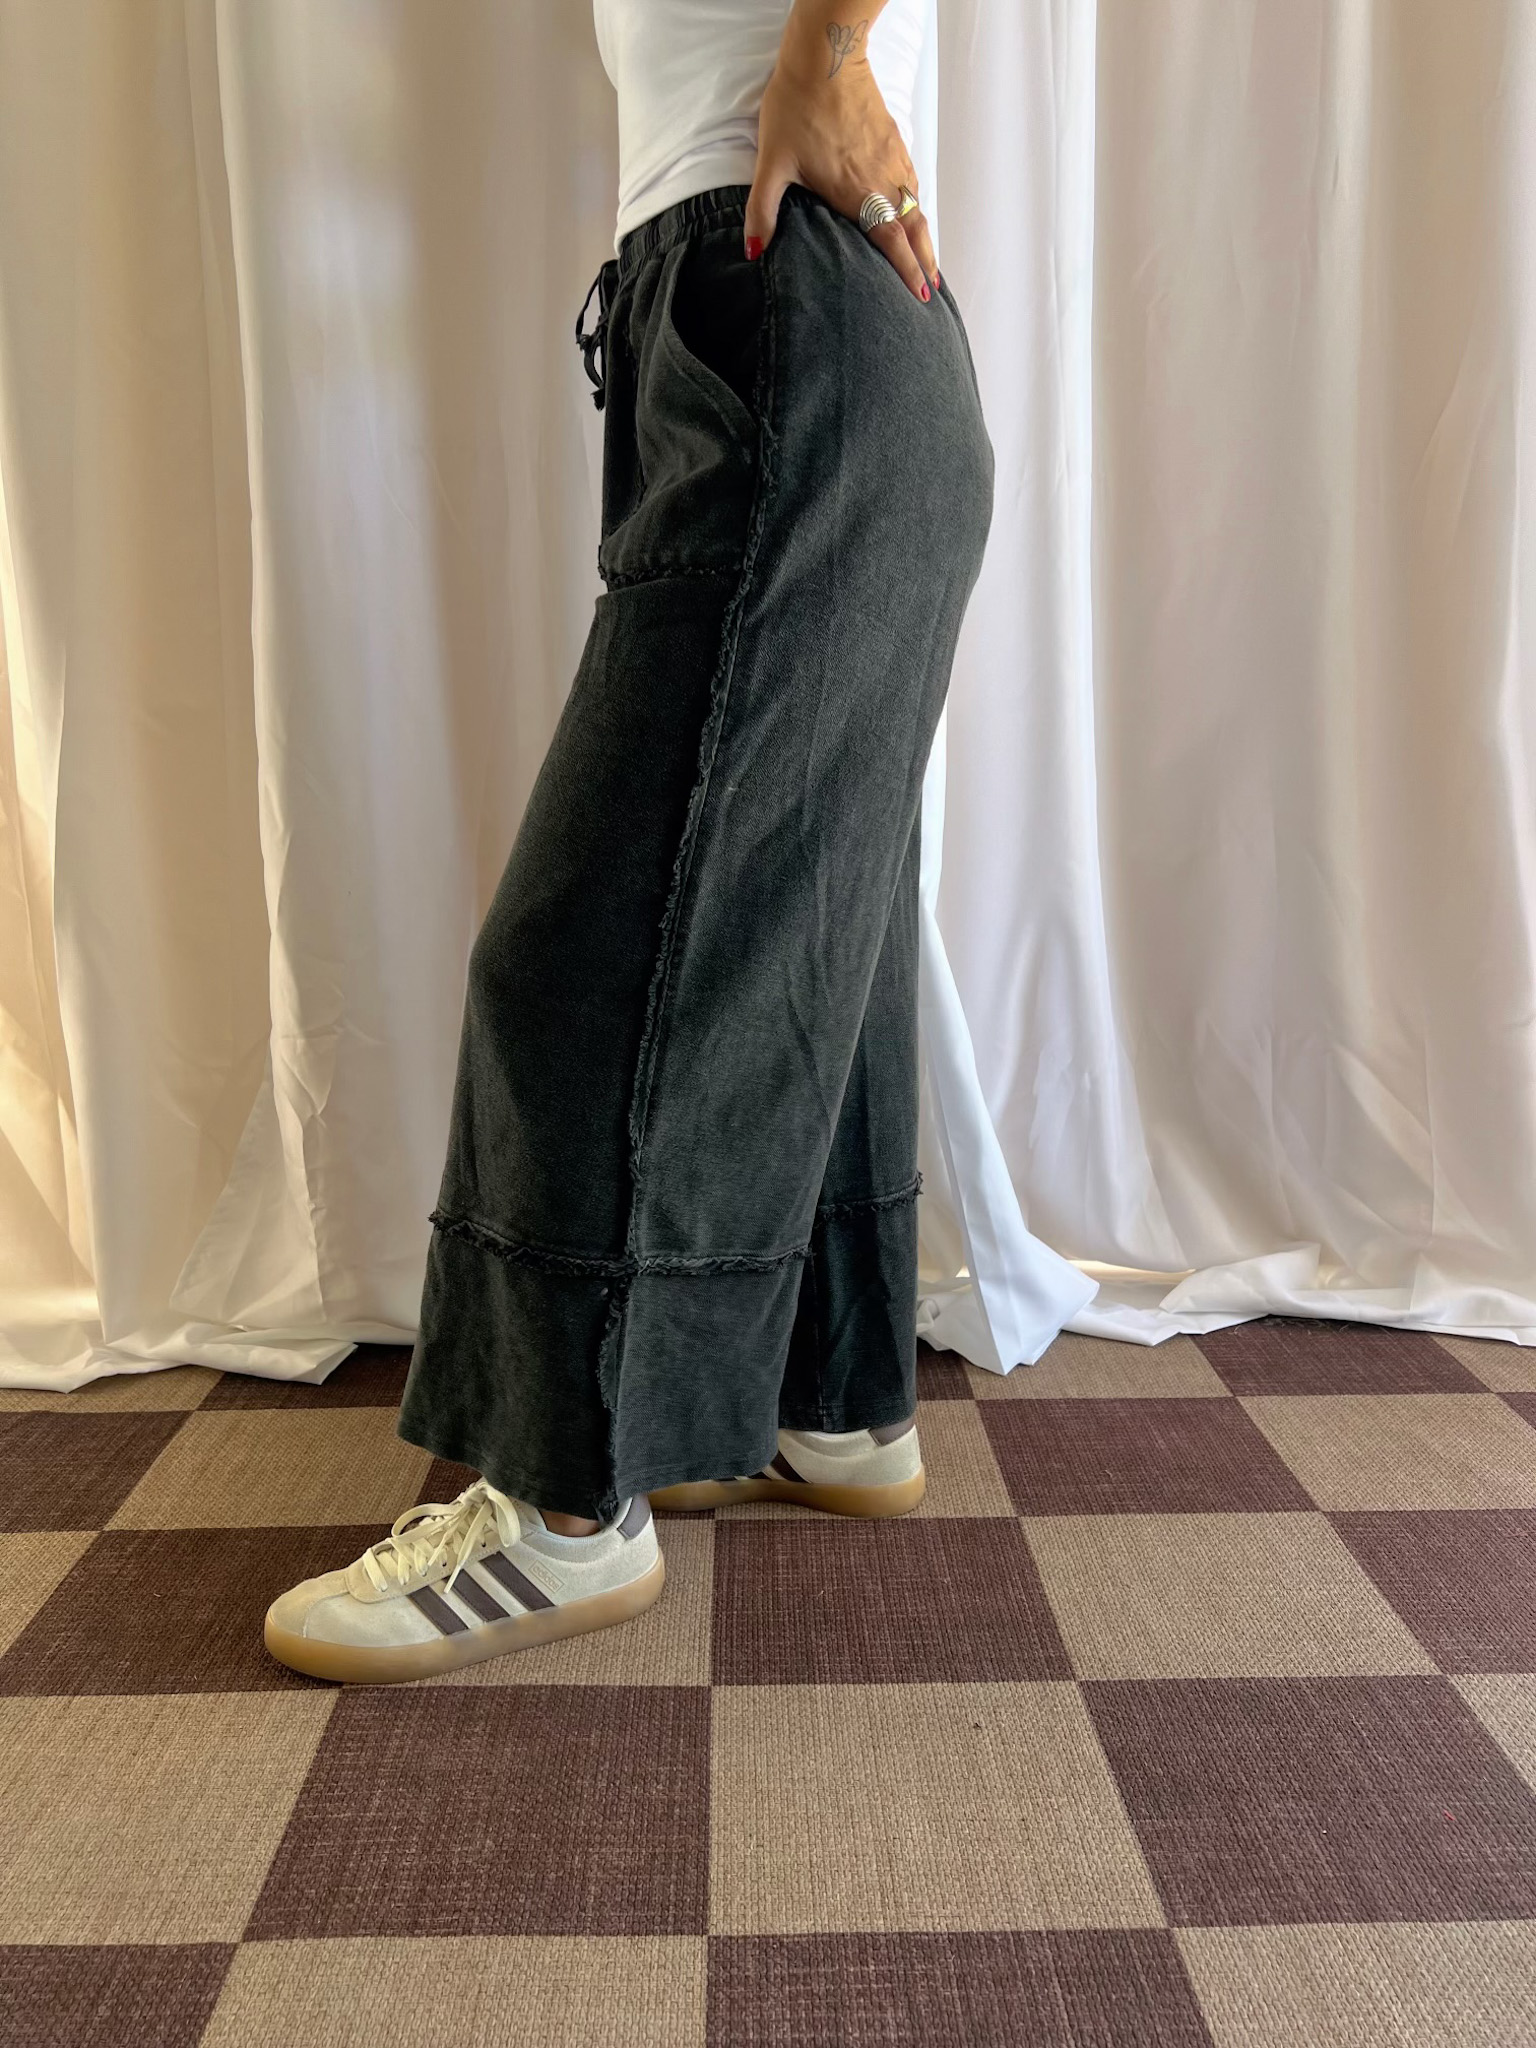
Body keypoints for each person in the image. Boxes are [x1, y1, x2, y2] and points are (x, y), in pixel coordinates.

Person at [264, 0, 994, 1684]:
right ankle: (832, 1400)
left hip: (783, 318)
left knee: (588, 948)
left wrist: (825, 58)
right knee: (819, 914)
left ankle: (559, 1505)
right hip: (818, 335)